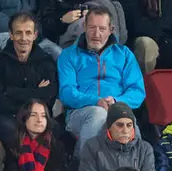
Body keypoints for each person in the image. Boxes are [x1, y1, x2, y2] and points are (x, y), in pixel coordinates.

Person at [58, 6, 145, 159]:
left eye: (102, 29)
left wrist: (117, 102)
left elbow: (137, 91)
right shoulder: (68, 55)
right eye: (91, 28)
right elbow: (66, 93)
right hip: (80, 112)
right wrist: (96, 101)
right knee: (98, 115)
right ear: (84, 27)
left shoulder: (124, 54)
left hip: (117, 109)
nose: (96, 34)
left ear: (111, 29)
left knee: (128, 124)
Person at [0, 13, 59, 143]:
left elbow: (48, 97)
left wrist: (12, 91)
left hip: (38, 116)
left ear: (35, 35)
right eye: (18, 33)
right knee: (10, 131)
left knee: (57, 132)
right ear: (11, 35)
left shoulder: (46, 62)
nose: (23, 38)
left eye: (28, 33)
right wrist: (36, 92)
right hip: (8, 117)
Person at [77, 103, 156, 171]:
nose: (125, 130)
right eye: (120, 125)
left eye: (129, 125)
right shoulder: (92, 146)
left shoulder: (145, 148)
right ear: (109, 127)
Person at [122, 0, 172, 73]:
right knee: (147, 45)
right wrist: (162, 39)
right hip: (147, 36)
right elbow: (135, 23)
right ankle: (147, 87)